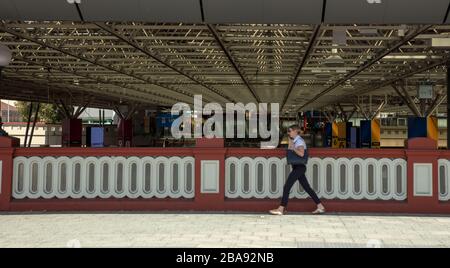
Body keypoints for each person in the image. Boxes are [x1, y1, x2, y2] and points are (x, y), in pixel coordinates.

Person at [269, 125, 326, 215]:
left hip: (299, 168)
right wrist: (291, 143)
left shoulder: (299, 141)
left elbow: (302, 154)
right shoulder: (296, 140)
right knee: (307, 188)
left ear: (295, 131)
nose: (288, 132)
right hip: (298, 167)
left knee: (287, 187)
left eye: (290, 131)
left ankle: (281, 209)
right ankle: (320, 206)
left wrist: (293, 148)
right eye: (288, 131)